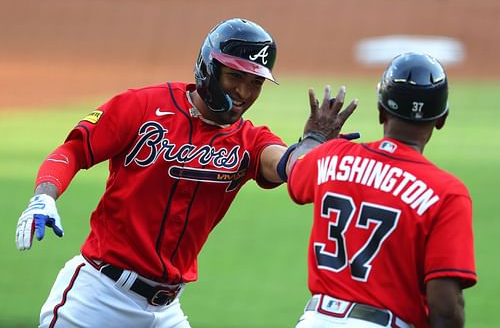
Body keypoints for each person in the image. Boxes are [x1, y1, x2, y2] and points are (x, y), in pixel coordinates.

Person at [15, 18, 357, 328]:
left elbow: (287, 165)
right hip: (97, 300)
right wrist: (44, 196)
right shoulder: (143, 106)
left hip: (165, 312)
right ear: (208, 68)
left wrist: (313, 145)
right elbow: (73, 150)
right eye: (235, 76)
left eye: (255, 83)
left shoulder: (251, 140)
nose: (244, 93)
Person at [286, 52, 477, 328]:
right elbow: (445, 306)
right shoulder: (446, 193)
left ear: (381, 111)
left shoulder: (332, 156)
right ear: (441, 119)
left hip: (315, 320)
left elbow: (294, 171)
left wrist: (315, 138)